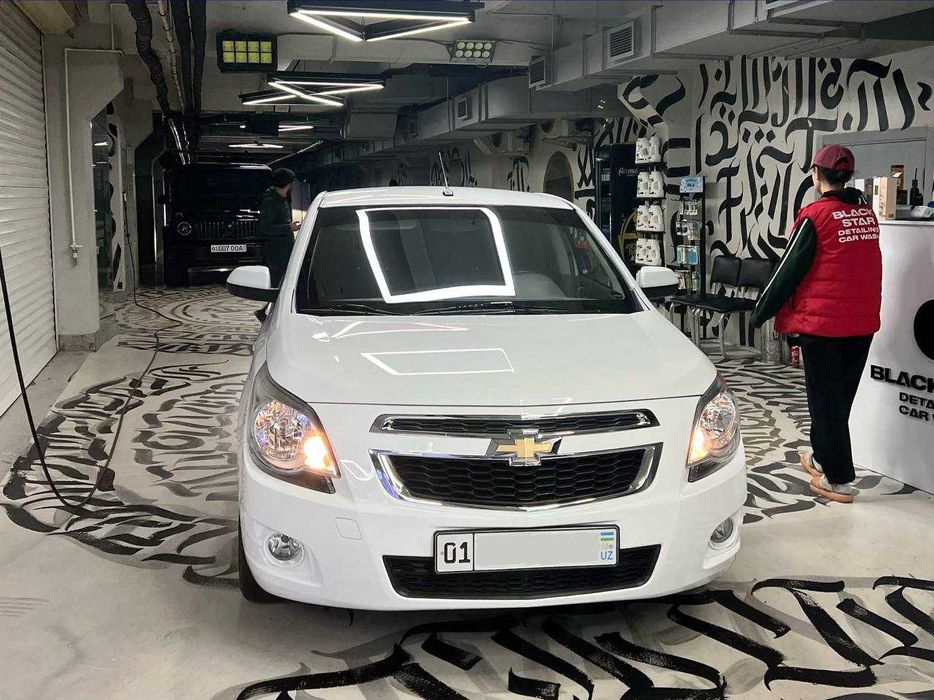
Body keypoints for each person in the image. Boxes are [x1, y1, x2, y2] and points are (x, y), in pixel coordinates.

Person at [752, 144, 882, 504]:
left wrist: (761, 310)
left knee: (825, 404)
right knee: (838, 401)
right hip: (862, 324)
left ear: (815, 175)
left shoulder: (815, 216)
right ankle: (823, 457)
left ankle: (839, 480)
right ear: (848, 176)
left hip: (823, 327)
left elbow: (788, 269)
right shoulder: (867, 215)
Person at [259, 167, 300, 288]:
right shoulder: (271, 201)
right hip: (276, 253)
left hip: (284, 251)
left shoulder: (281, 199)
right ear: (288, 184)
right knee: (278, 282)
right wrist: (288, 228)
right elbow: (265, 228)